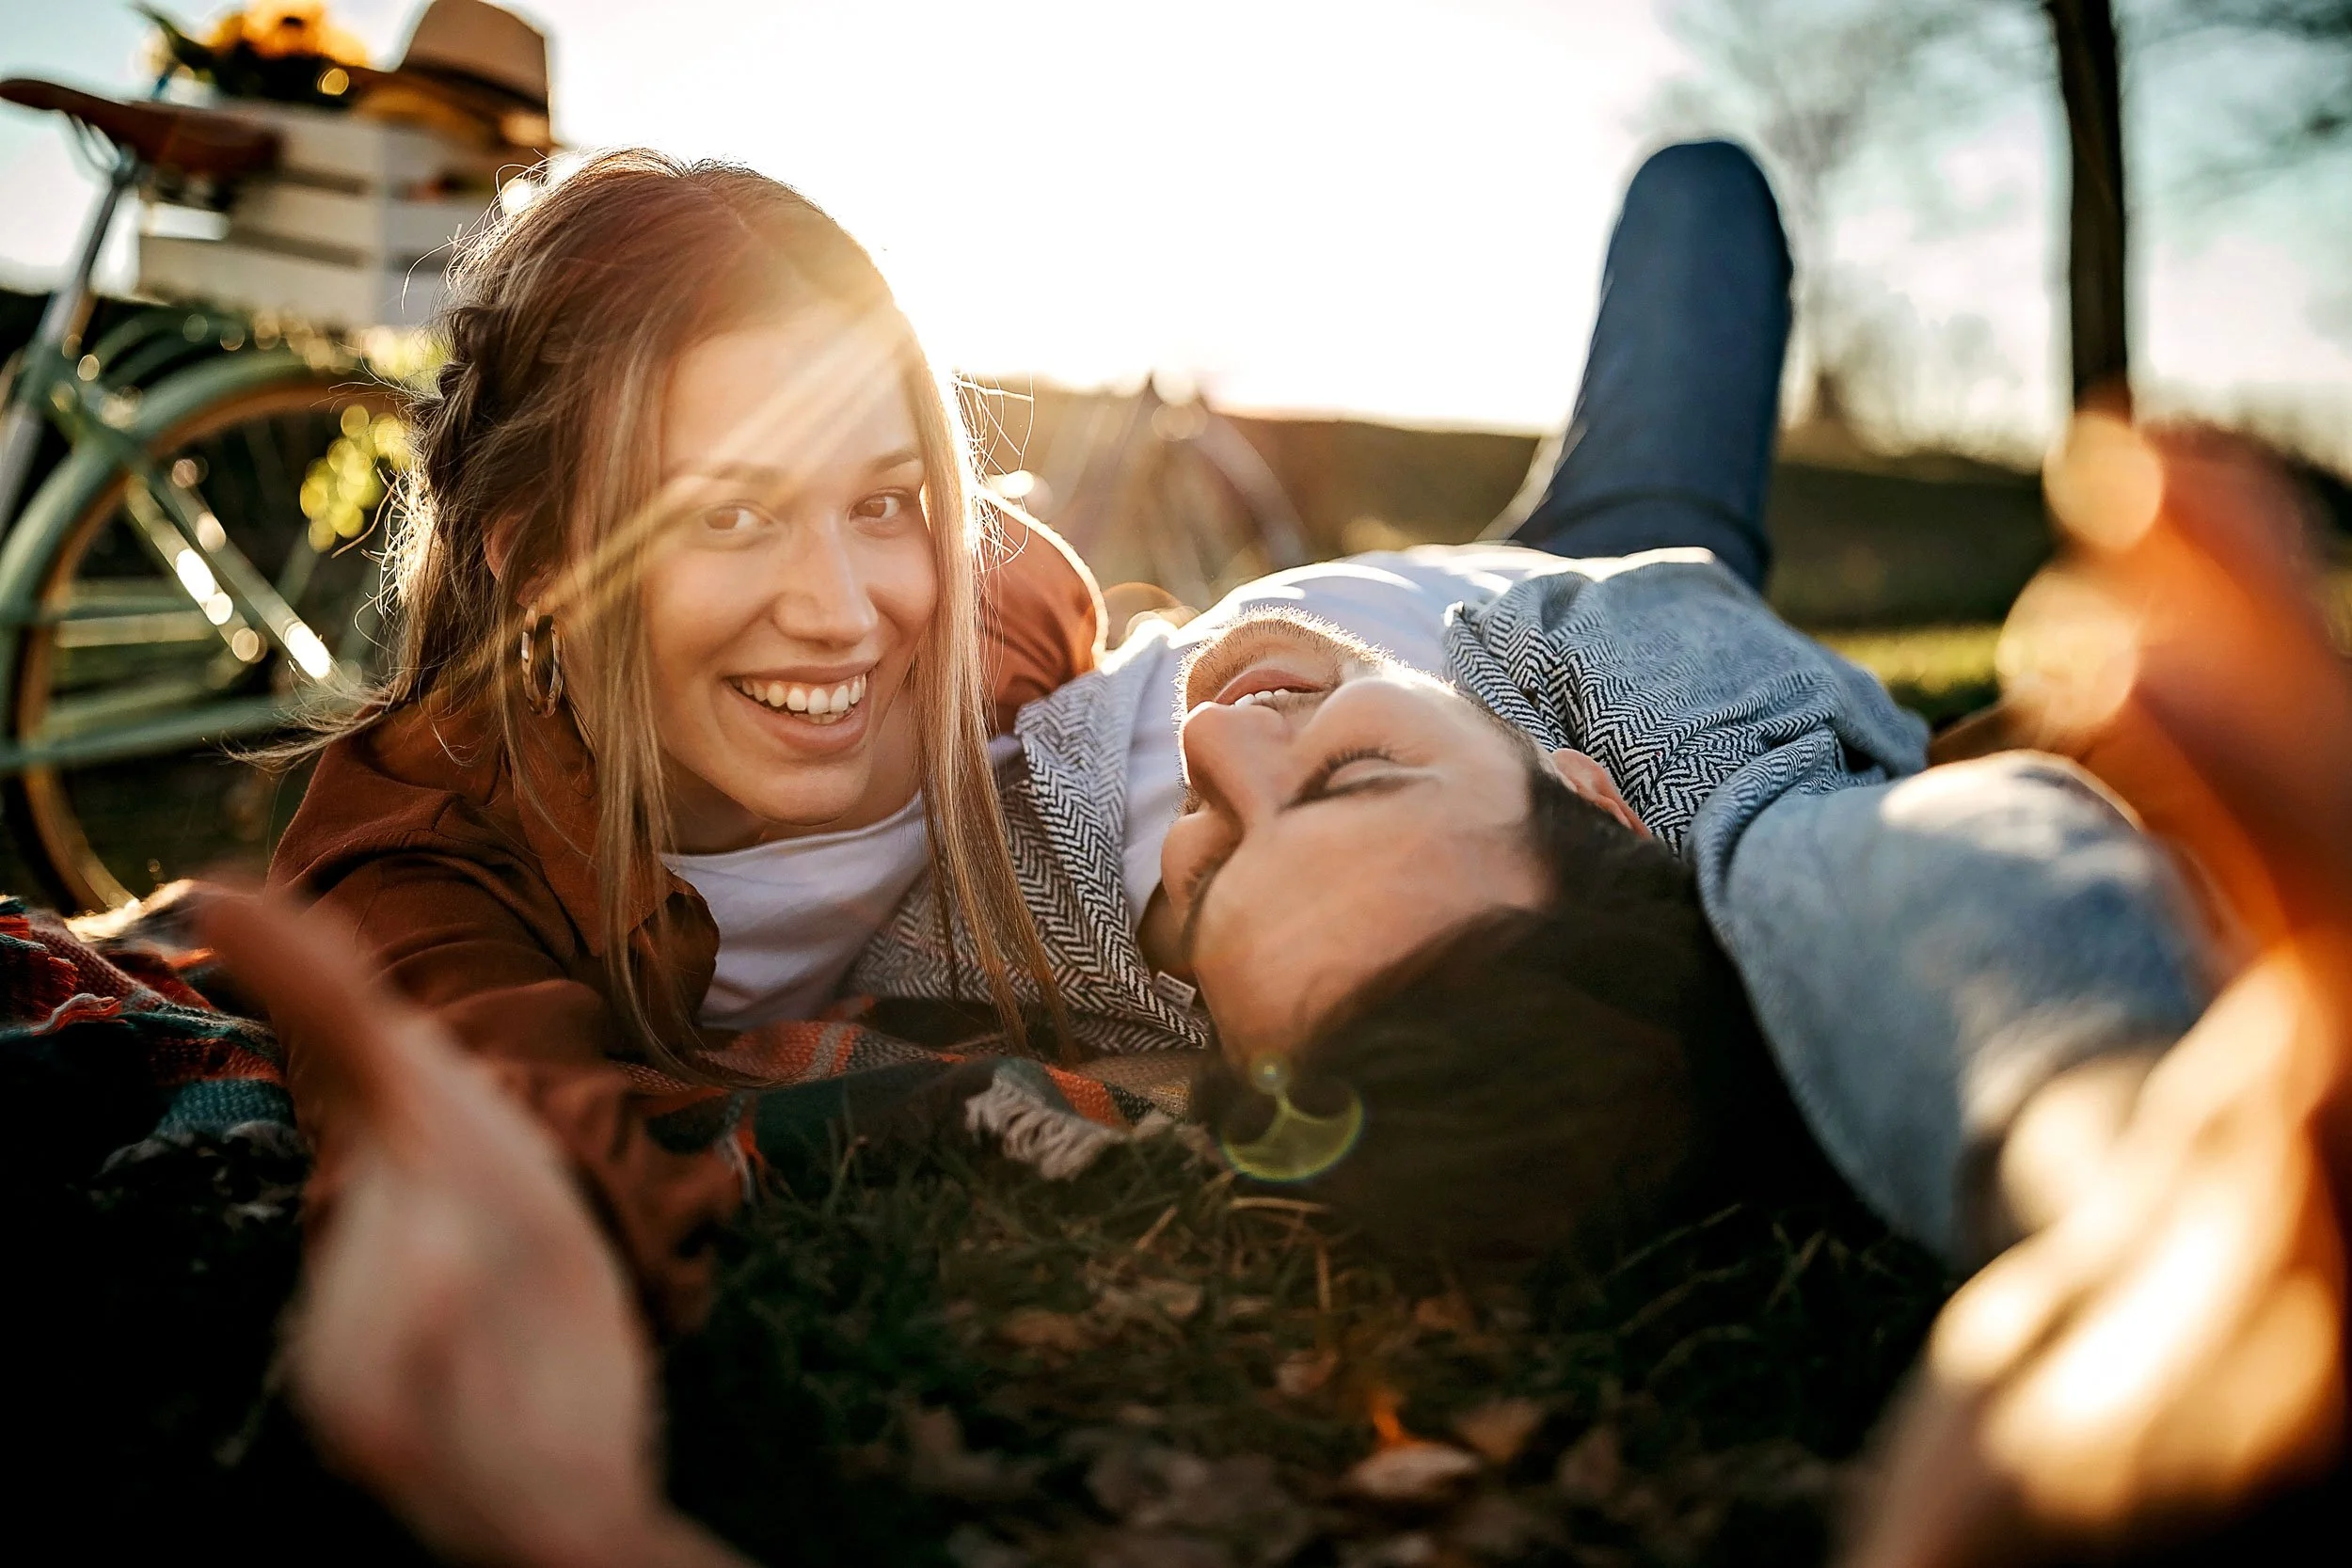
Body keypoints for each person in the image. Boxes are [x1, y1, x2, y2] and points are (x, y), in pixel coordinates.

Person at [849, 140, 2211, 1266]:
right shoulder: (1652, 703)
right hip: (1611, 539)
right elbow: (1849, 873)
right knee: (1702, 190)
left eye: (1201, 882)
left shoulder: (993, 916)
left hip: (1272, 594)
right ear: (1583, 785)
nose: (1216, 742)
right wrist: (2119, 1141)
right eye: (1348, 775)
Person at [264, 150, 1104, 1329]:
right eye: (730, 514)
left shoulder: (999, 616)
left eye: (880, 502)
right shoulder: (426, 852)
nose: (845, 613)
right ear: (540, 557)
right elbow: (483, 1162)